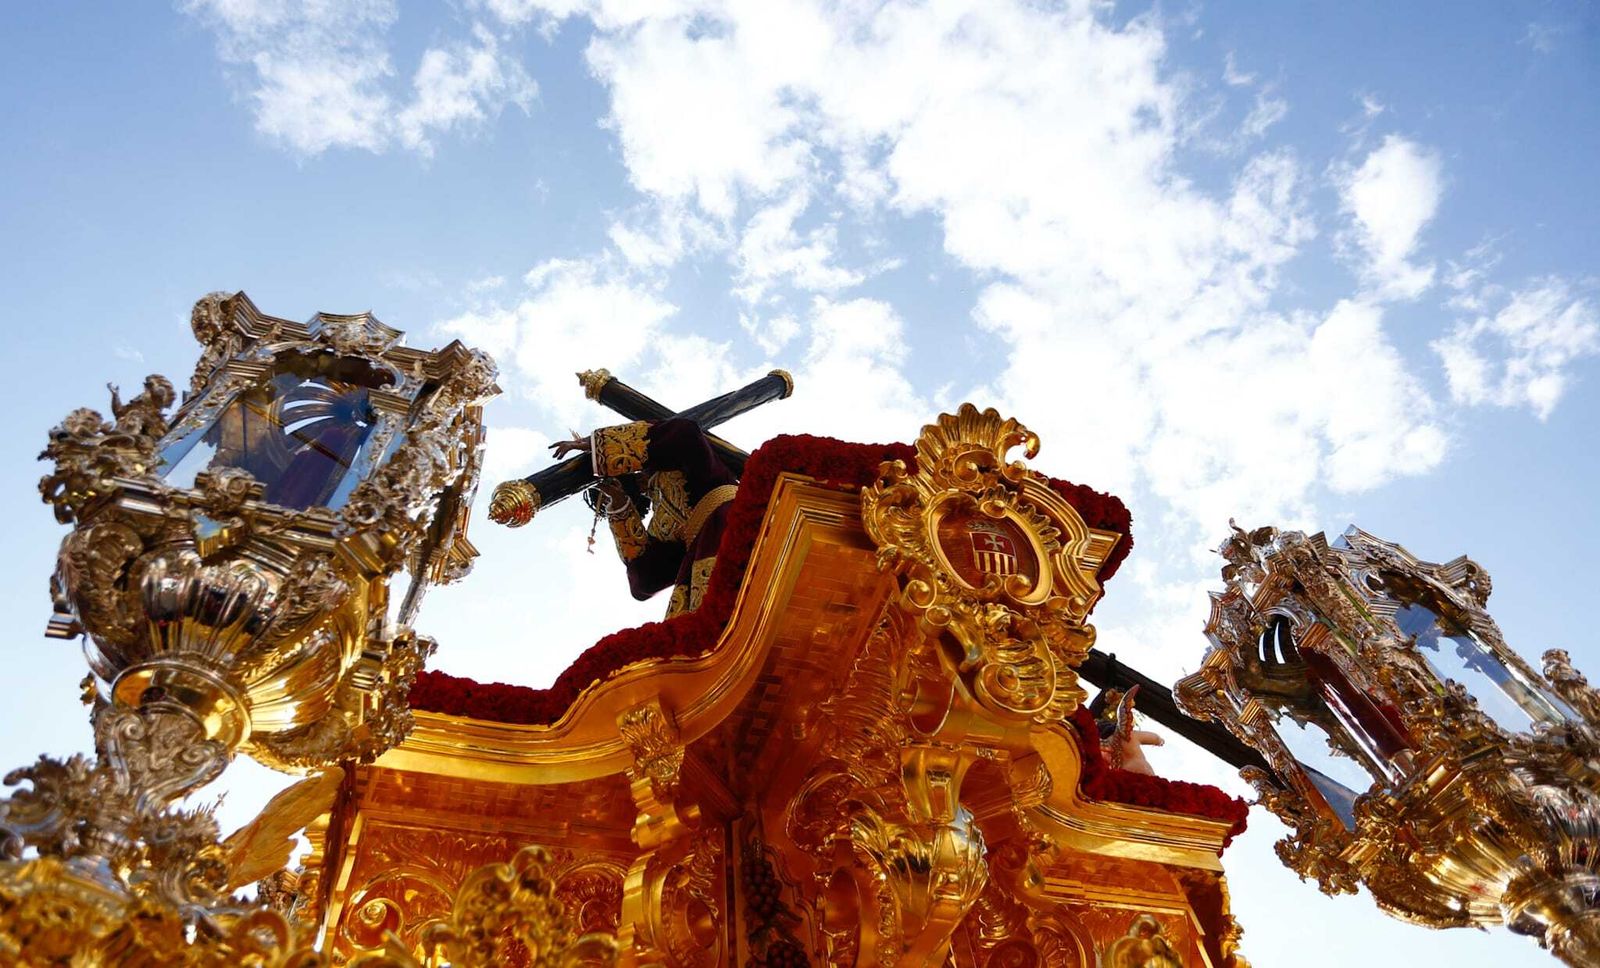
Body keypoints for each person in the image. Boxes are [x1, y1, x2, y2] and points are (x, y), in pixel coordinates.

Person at [551, 417, 738, 618]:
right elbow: (645, 582)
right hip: (706, 561)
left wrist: (596, 444)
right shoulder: (659, 529)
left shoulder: (680, 460)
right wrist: (619, 507)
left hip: (737, 519)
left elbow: (685, 431)